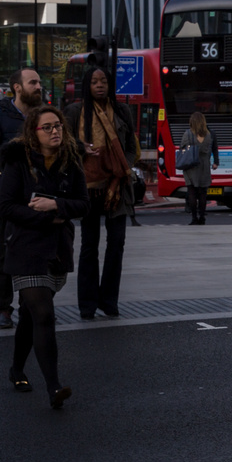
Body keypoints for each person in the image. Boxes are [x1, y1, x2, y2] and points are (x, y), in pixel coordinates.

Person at [0, 105, 89, 408]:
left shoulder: (71, 162)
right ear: (33, 133)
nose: (55, 131)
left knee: (29, 314)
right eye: (48, 127)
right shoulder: (17, 163)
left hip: (56, 251)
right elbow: (8, 207)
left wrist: (56, 206)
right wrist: (44, 217)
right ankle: (54, 387)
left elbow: (83, 205)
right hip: (25, 248)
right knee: (44, 314)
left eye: (59, 126)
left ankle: (16, 368)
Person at [65, 66, 138, 320]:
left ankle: (109, 301)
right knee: (89, 246)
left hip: (116, 186)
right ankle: (87, 304)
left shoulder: (121, 110)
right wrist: (82, 148)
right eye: (94, 81)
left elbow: (131, 146)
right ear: (87, 85)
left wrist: (123, 168)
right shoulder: (75, 111)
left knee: (116, 244)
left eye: (103, 81)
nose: (99, 85)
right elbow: (64, 144)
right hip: (88, 188)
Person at [0, 67, 43, 329]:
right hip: (10, 198)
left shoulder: (42, 116)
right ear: (17, 87)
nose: (39, 86)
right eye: (33, 82)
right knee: (6, 253)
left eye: (39, 82)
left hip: (40, 197)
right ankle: (4, 309)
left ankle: (34, 305)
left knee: (38, 254)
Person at [178, 112, 217, 225]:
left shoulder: (188, 134)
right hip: (204, 165)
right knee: (203, 193)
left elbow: (182, 148)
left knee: (192, 192)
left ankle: (194, 218)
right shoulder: (209, 135)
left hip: (191, 166)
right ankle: (202, 218)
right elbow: (209, 149)